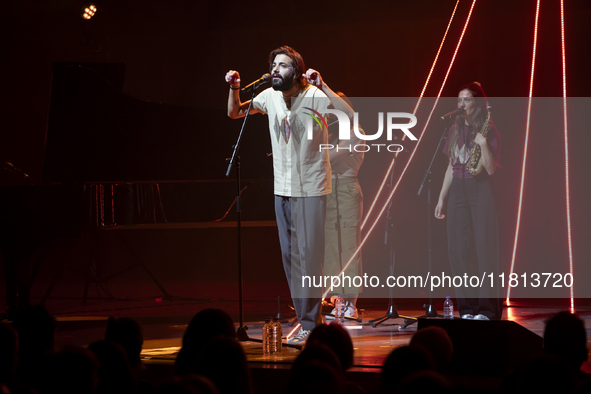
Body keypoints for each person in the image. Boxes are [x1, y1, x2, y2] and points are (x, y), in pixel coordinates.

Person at [226, 46, 353, 343]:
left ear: (295, 71)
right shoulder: (269, 97)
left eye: (282, 65)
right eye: (273, 64)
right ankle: (307, 322)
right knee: (291, 258)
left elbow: (348, 114)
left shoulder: (314, 96)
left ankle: (311, 325)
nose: (275, 69)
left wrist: (324, 85)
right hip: (281, 189)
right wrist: (233, 88)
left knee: (310, 258)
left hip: (311, 189)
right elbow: (234, 112)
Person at [434, 82, 502, 320]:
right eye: (459, 100)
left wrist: (483, 143)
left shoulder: (488, 129)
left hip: (480, 189)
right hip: (458, 194)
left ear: (477, 104)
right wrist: (442, 198)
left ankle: (487, 310)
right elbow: (451, 167)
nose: (461, 104)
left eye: (466, 100)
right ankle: (467, 308)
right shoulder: (454, 129)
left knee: (485, 251)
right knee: (456, 250)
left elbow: (491, 170)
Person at [323, 93, 364, 319]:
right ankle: (336, 298)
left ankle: (351, 302)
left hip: (348, 189)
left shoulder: (357, 133)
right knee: (331, 246)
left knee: (349, 246)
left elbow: (331, 157)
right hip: (329, 190)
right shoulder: (330, 134)